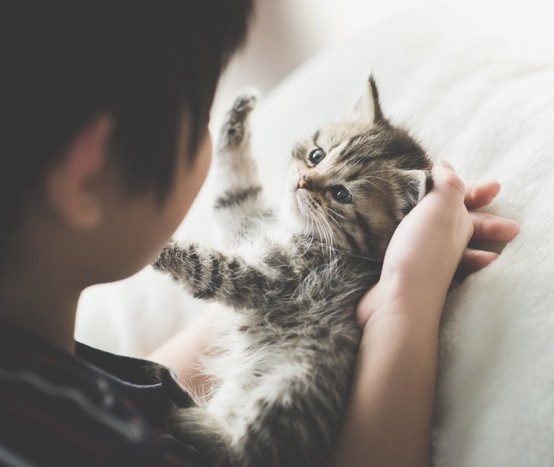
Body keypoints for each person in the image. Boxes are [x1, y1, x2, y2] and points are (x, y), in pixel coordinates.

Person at [0, 2, 519, 466]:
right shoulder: (73, 439)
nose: (304, 179)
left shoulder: (46, 382)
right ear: (87, 176)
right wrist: (406, 296)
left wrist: (347, 276)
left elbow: (155, 395)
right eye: (201, 114)